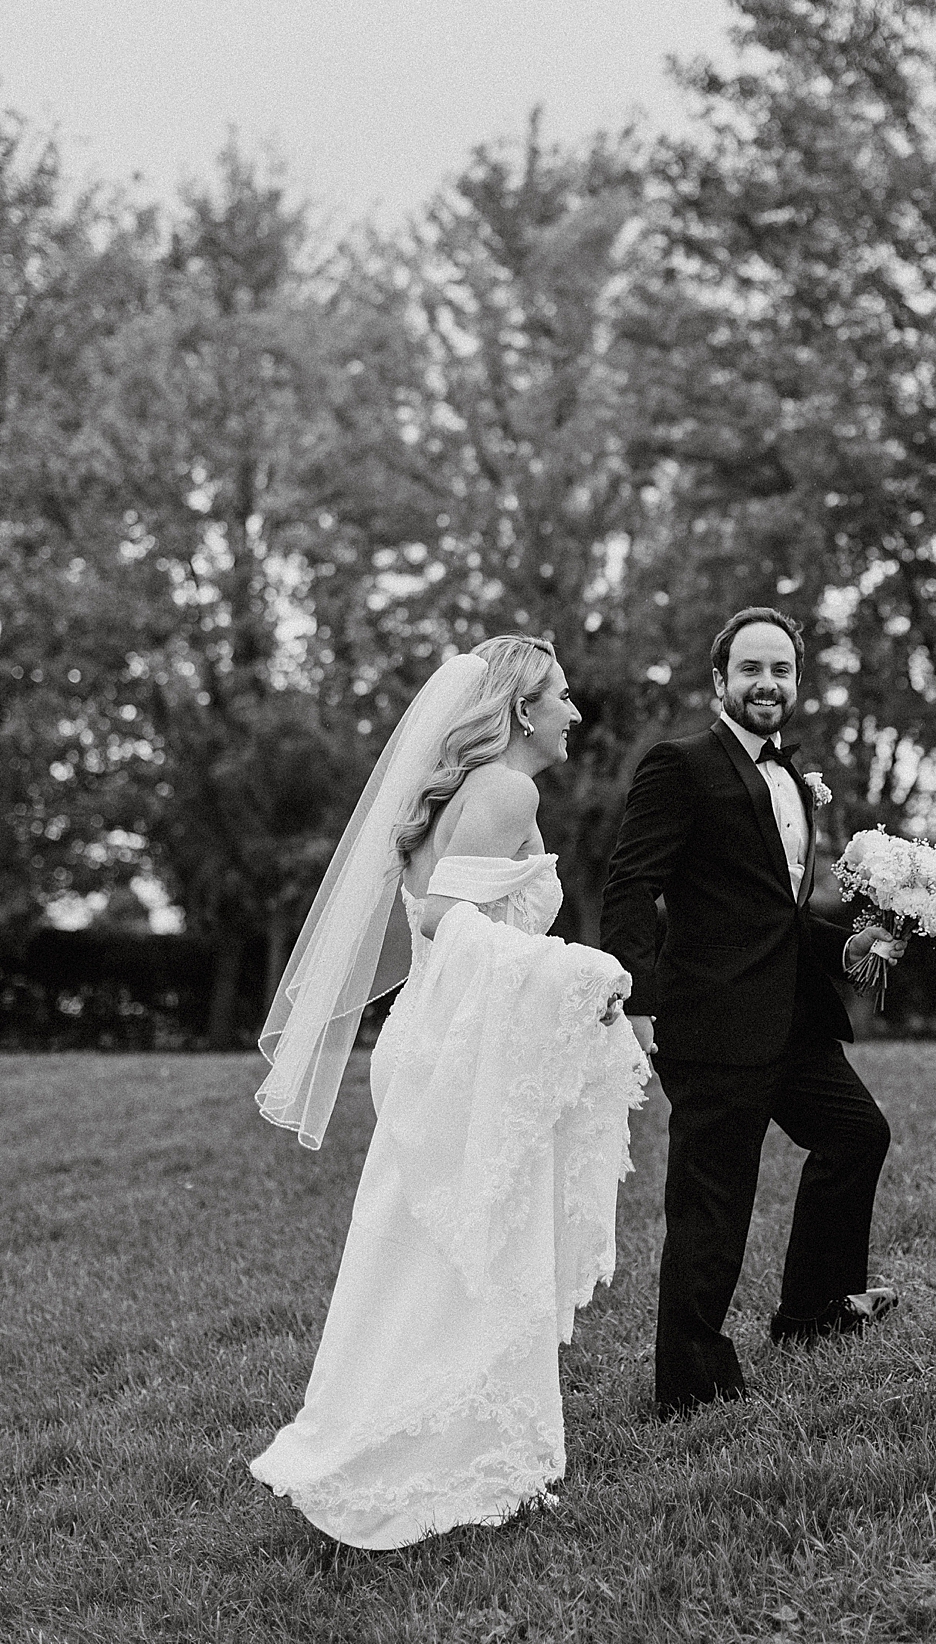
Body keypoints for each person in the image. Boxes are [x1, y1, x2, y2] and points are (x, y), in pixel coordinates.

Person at [250, 637, 648, 1548]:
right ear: (521, 710)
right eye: (561, 696)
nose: (574, 712)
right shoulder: (507, 791)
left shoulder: (470, 790)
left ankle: (431, 1434)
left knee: (428, 1243)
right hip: (459, 1044)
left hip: (439, 1033)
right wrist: (574, 970)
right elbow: (444, 918)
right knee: (475, 1238)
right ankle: (452, 1453)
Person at [600, 607, 903, 1418]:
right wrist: (636, 1000)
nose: (767, 683)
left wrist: (847, 943)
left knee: (856, 1134)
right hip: (712, 1027)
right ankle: (691, 1383)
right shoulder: (680, 765)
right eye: (751, 669)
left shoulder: (794, 780)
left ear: (797, 682)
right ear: (720, 680)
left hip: (792, 1019)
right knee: (713, 1205)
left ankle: (813, 1312)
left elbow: (775, 912)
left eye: (781, 670)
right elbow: (631, 885)